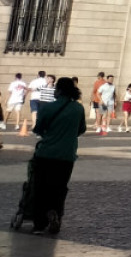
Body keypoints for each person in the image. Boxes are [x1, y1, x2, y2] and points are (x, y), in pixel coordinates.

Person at [13, 76, 85, 235]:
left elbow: (38, 129)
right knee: (59, 188)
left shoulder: (48, 108)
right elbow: (82, 129)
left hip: (46, 153)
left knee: (41, 188)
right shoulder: (78, 109)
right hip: (67, 155)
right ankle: (55, 213)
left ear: (59, 90)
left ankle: (39, 224)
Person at [25, 70, 51, 138]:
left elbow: (29, 89)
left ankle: (34, 125)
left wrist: (24, 96)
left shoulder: (34, 81)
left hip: (34, 98)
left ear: (38, 75)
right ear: (45, 75)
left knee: (34, 112)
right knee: (41, 113)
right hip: (43, 98)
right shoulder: (46, 81)